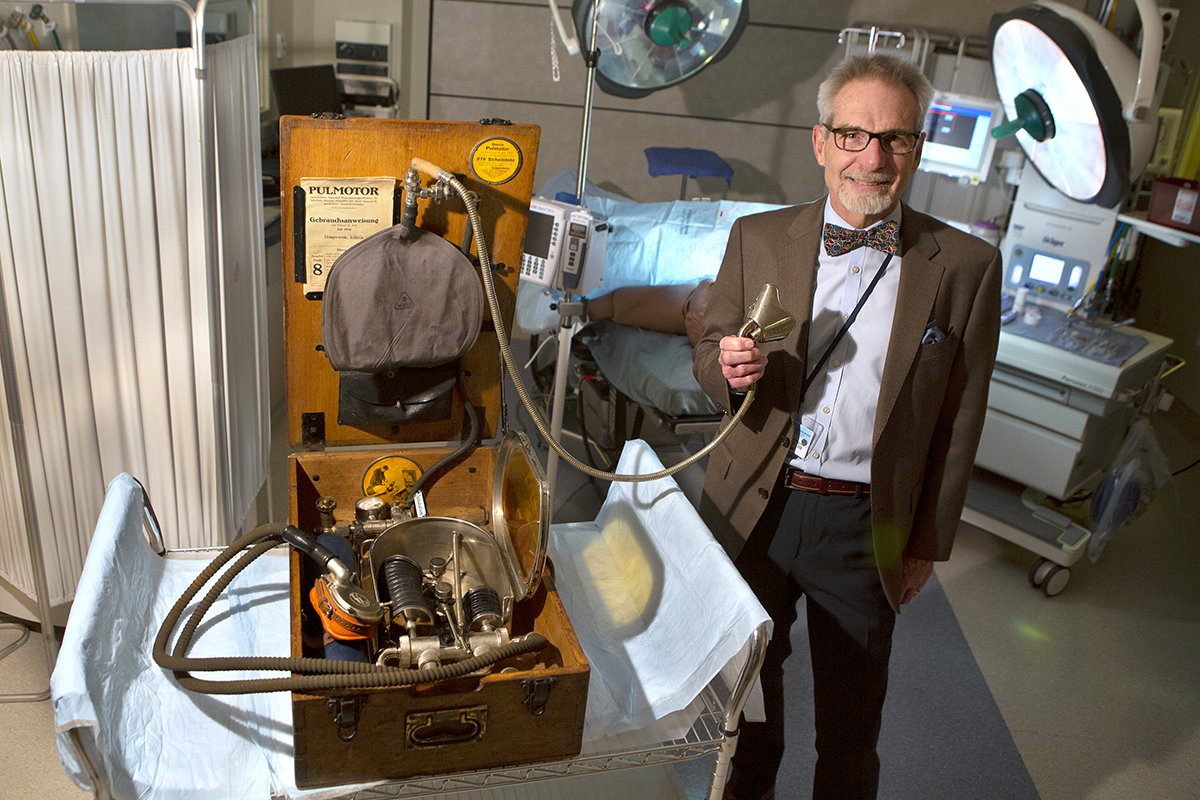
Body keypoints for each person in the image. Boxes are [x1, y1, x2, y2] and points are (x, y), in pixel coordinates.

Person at [692, 54, 1002, 800]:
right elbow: (710, 352)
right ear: (820, 142)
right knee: (746, 708)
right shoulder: (758, 237)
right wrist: (723, 369)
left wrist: (923, 540)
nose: (873, 158)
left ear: (917, 150)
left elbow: (961, 416)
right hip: (753, 510)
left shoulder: (965, 265)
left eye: (895, 139)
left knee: (852, 729)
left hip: (868, 524)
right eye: (854, 134)